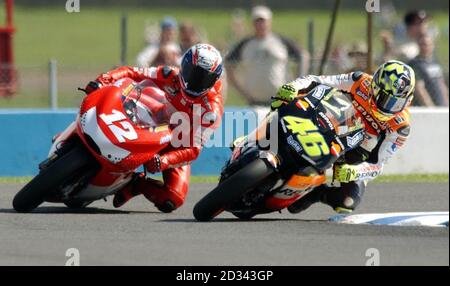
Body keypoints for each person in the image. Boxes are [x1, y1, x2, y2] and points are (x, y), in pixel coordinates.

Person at [84, 44, 224, 212]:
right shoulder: (170, 74)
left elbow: (193, 149)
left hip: (174, 143)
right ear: (184, 66)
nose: (194, 81)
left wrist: (164, 161)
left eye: (203, 78)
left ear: (214, 80)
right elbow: (132, 72)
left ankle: (136, 184)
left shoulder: (211, 111)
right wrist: (104, 79)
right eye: (192, 73)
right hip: (144, 119)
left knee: (173, 198)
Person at [271, 60, 415, 214]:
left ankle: (317, 193)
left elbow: (378, 164)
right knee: (285, 105)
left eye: (395, 103)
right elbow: (317, 81)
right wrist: (293, 87)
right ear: (375, 86)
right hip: (326, 124)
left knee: (347, 202)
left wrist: (354, 171)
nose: (387, 106)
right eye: (383, 98)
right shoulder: (360, 81)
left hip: (352, 154)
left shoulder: (400, 127)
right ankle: (265, 138)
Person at [225, 5, 303, 106]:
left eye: (263, 21)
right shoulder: (245, 44)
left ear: (269, 22)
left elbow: (302, 56)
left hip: (281, 101)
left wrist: (297, 84)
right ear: (252, 23)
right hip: (254, 102)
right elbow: (229, 64)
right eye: (257, 21)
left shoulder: (281, 41)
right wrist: (242, 92)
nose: (260, 24)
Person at [409, 35, 449, 106]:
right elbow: (419, 88)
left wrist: (446, 103)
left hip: (440, 105)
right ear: (418, 45)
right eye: (423, 44)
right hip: (425, 107)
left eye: (428, 44)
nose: (426, 47)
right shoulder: (415, 64)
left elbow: (441, 83)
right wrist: (430, 108)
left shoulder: (435, 61)